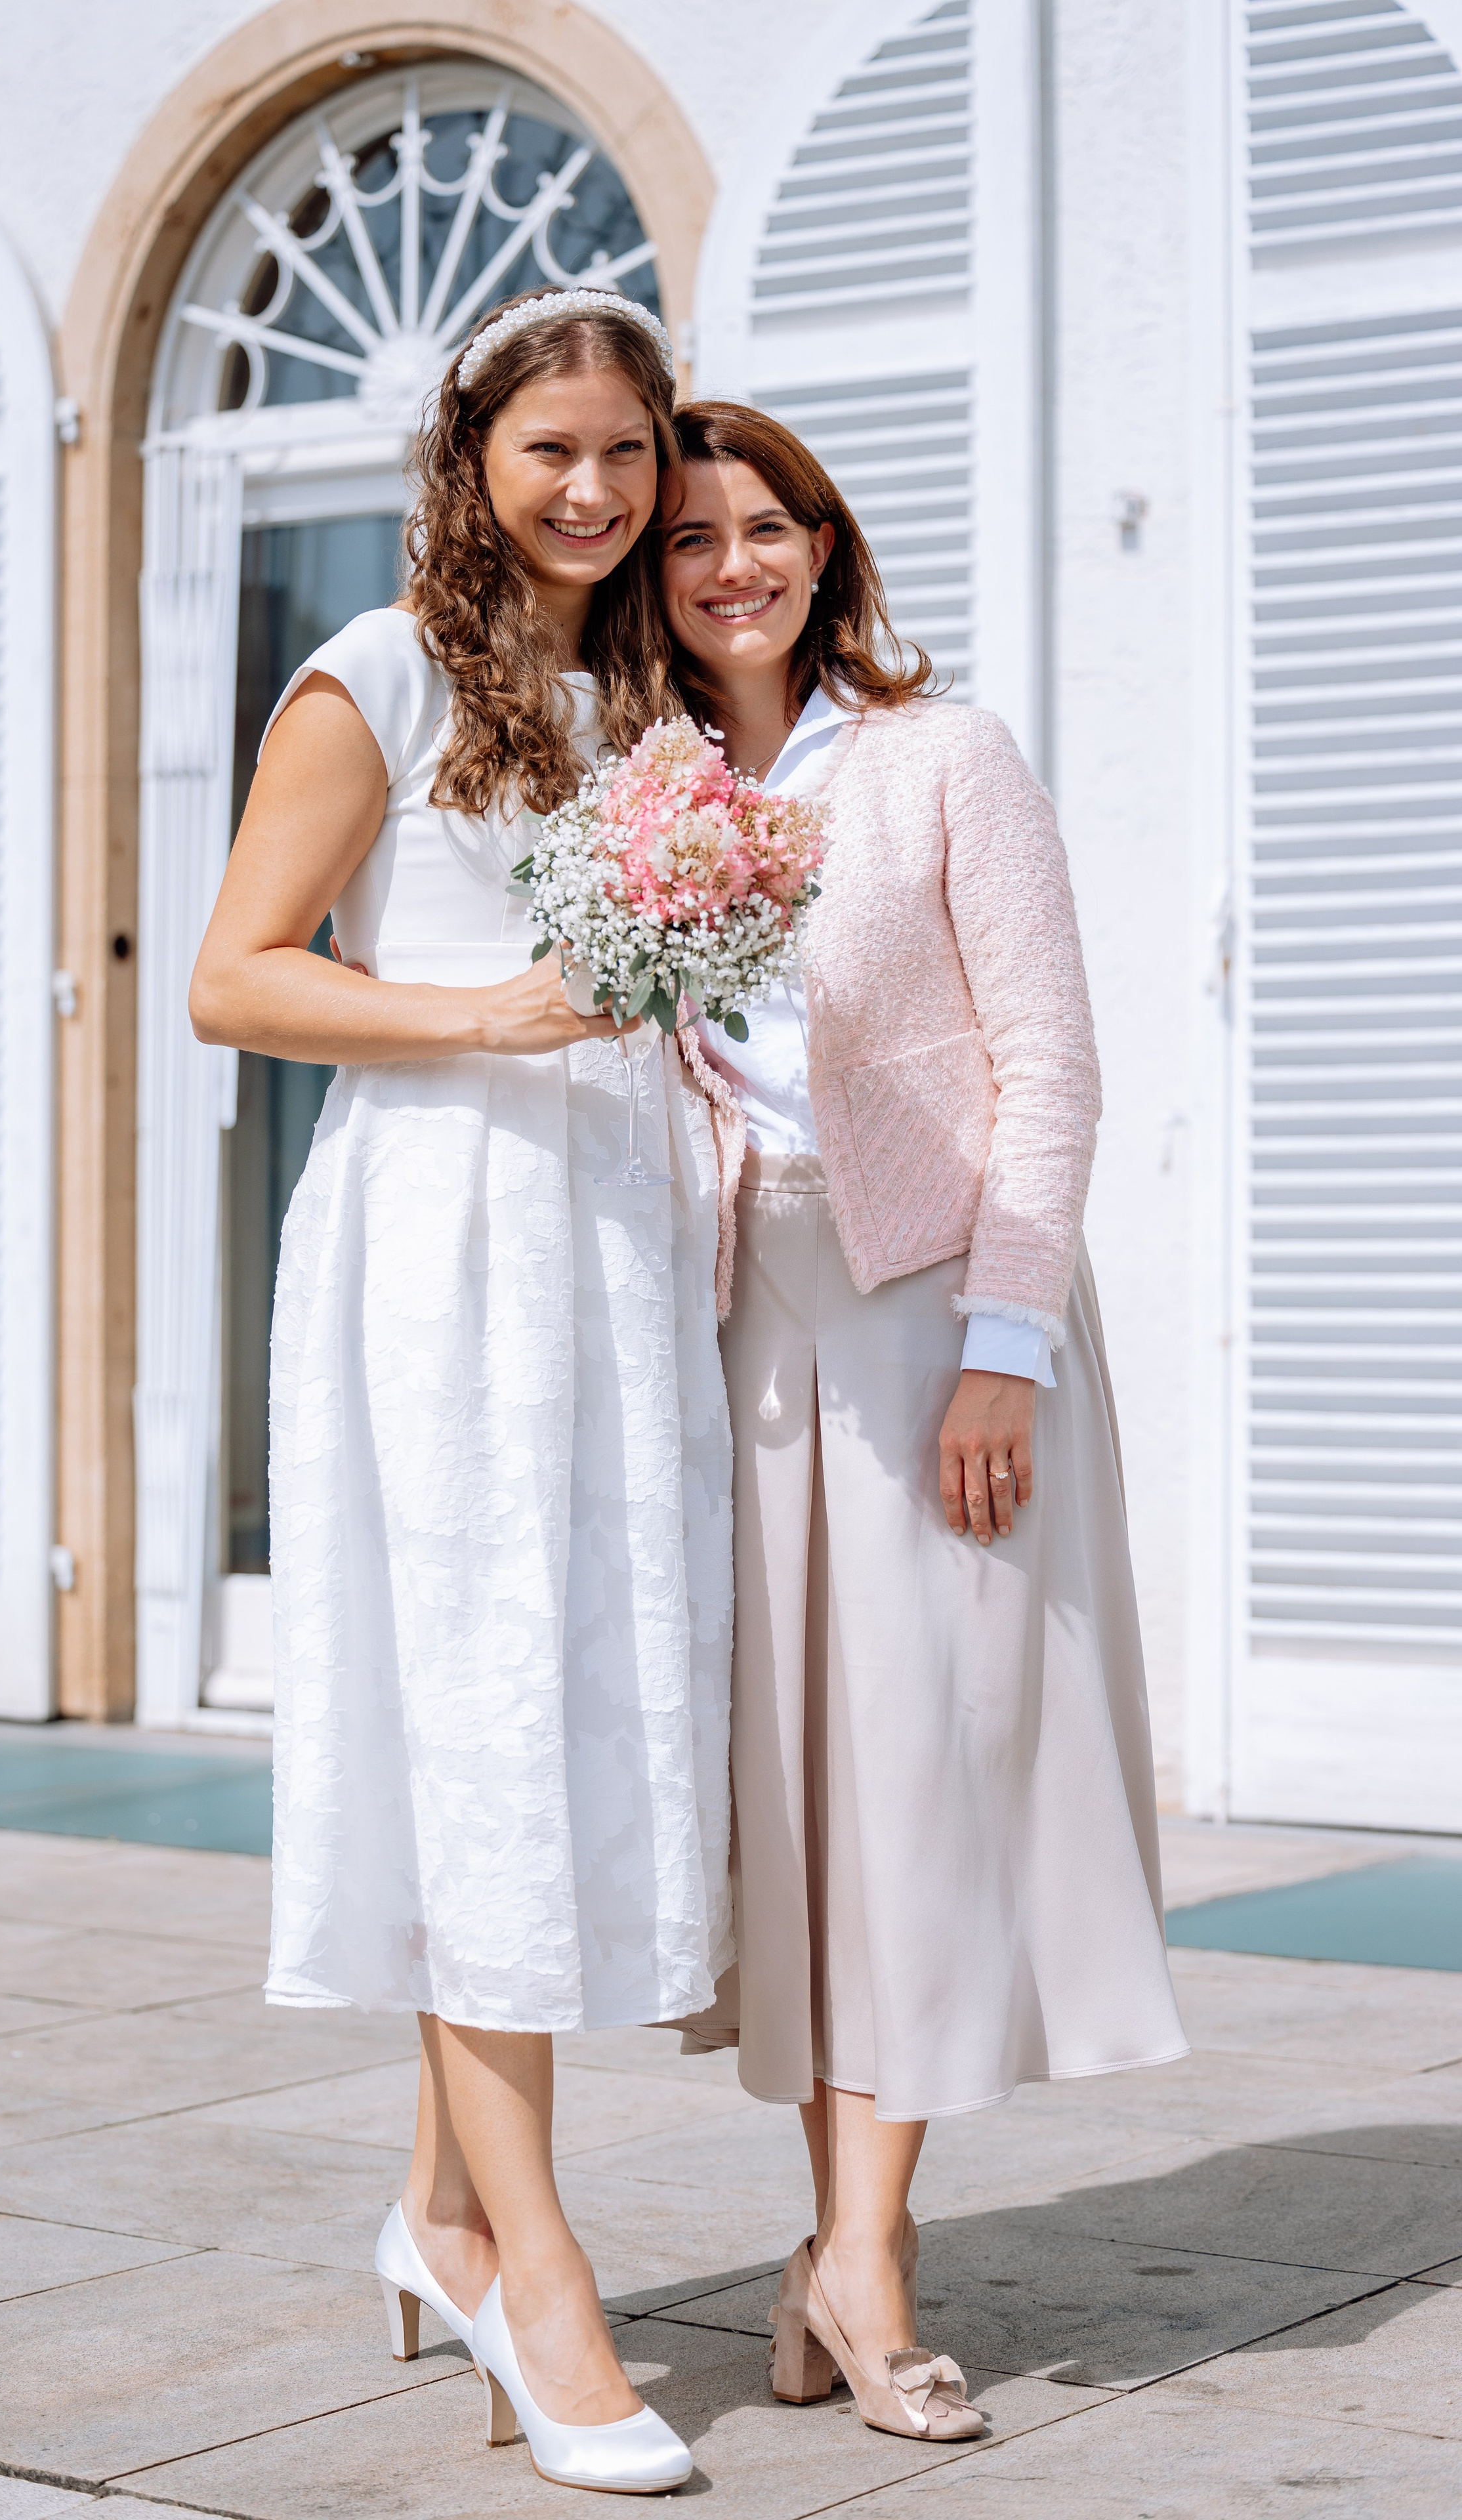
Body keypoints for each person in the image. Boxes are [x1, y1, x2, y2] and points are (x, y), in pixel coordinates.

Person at [190, 292, 734, 2497]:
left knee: (548, 1715)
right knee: (486, 1723)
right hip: (441, 1250)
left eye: (627, 453)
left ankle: (431, 2214)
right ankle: (541, 2278)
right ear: (471, 452)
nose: (595, 494)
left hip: (608, 1246)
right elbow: (237, 978)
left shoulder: (645, 694)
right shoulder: (379, 674)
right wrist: (487, 1019)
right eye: (552, 455)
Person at [661, 402, 1188, 2445]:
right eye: (692, 534)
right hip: (742, 1335)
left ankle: (864, 2258)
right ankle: (836, 2257)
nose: (731, 564)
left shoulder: (941, 756)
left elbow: (1050, 1066)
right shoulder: (633, 789)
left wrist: (1006, 1342)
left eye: (764, 525)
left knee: (937, 1790)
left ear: (824, 541)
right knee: (814, 1811)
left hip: (937, 1326)